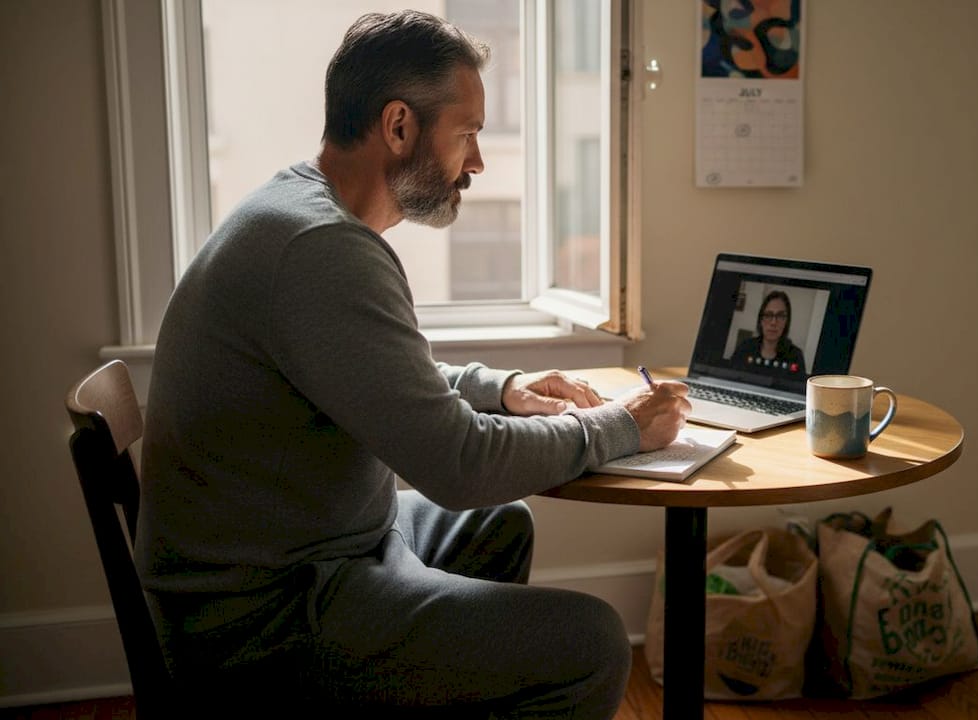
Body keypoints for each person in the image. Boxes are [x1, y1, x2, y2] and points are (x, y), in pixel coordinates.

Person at [134, 10, 690, 718]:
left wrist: (504, 389)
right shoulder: (320, 251)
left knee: (501, 525)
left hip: (315, 554)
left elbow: (380, 374)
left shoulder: (301, 210)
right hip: (263, 621)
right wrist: (622, 428)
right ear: (399, 126)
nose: (479, 162)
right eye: (469, 133)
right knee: (594, 643)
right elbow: (457, 464)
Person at [733, 290, 807, 374]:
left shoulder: (795, 356)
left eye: (780, 316)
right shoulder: (745, 347)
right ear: (761, 320)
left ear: (787, 321)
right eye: (768, 315)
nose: (773, 322)